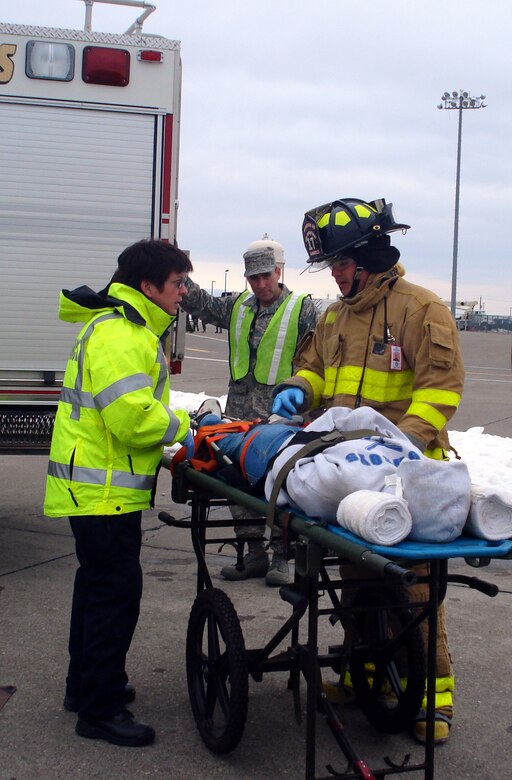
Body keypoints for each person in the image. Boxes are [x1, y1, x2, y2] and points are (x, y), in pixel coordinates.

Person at [271, 197, 465, 745]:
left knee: (417, 591)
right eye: (330, 265)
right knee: (356, 579)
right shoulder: (335, 316)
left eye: (340, 264)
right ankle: (364, 678)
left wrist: (400, 447)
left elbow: (440, 391)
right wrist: (298, 389)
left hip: (410, 480)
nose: (333, 275)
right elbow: (313, 370)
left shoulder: (420, 309)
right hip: (353, 478)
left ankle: (433, 696)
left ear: (368, 258)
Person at [43, 239, 195, 747]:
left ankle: (84, 687)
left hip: (97, 491)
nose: (183, 293)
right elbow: (132, 417)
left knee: (95, 590)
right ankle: (100, 709)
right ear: (149, 286)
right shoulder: (122, 333)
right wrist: (184, 425)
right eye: (177, 283)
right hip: (104, 493)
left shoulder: (118, 327)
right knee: (114, 597)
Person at [180, 241, 318, 585]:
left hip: (282, 414)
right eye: (252, 278)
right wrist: (179, 270)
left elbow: (321, 354)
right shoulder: (239, 306)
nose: (259, 284)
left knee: (281, 483)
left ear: (279, 271)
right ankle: (254, 552)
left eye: (265, 276)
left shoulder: (302, 309)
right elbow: (202, 304)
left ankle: (282, 558)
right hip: (238, 411)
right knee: (236, 479)